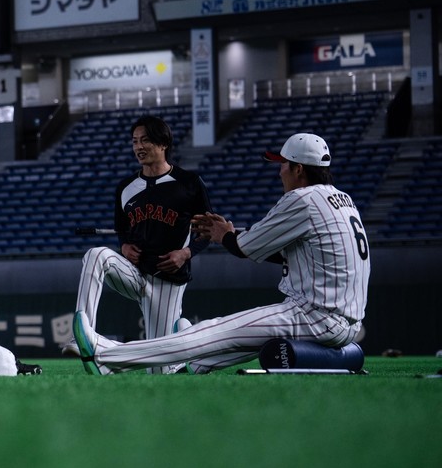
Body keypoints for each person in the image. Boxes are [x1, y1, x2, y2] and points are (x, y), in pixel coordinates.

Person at [72, 132, 370, 375]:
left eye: (282, 164)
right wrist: (229, 235)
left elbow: (244, 247)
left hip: (314, 315)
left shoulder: (302, 199)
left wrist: (224, 234)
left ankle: (108, 356)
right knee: (241, 342)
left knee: (213, 331)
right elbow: (285, 253)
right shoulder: (342, 199)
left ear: (298, 169)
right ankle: (193, 367)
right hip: (349, 324)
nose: (279, 171)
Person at [62, 116, 212, 373]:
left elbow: (207, 231)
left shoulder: (189, 183)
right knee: (96, 255)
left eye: (145, 140)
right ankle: (83, 335)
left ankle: (182, 340)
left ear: (163, 143)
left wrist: (186, 253)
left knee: (159, 371)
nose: (139, 147)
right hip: (134, 273)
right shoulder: (126, 187)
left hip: (168, 280)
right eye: (135, 141)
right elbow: (122, 229)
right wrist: (123, 246)